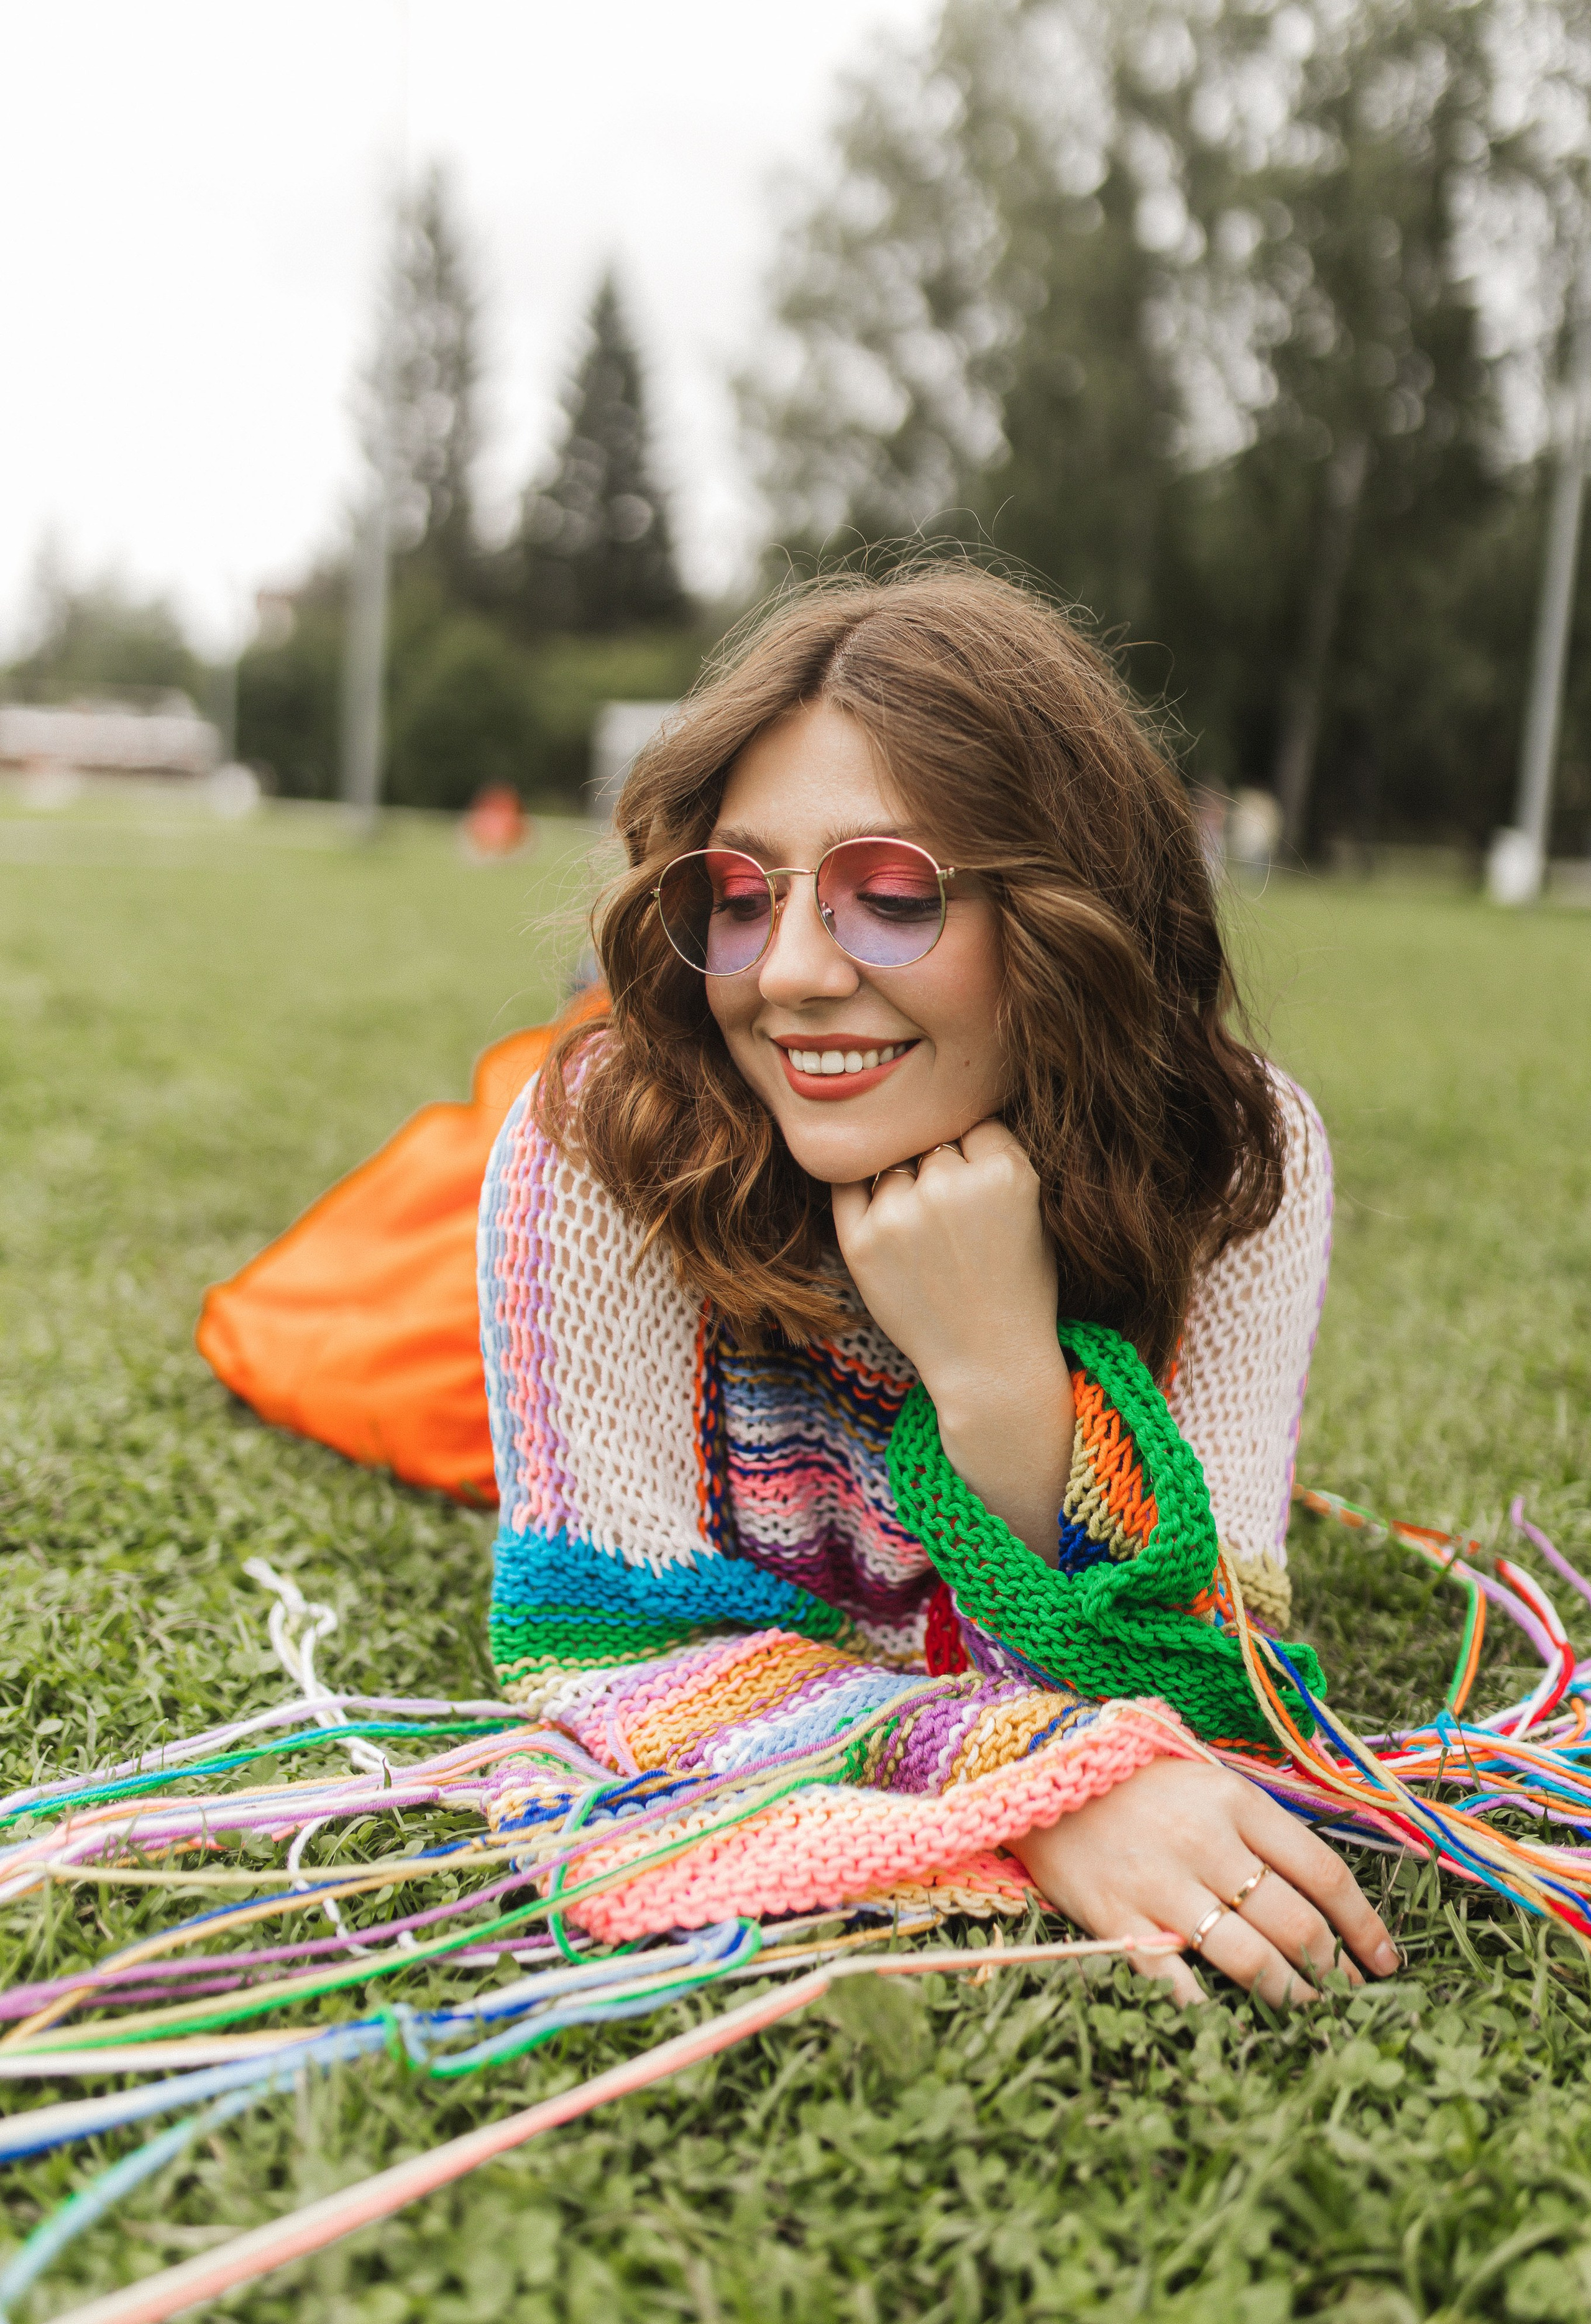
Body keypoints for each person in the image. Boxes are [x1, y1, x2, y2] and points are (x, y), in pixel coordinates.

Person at [478, 565, 1399, 2007]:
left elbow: (1222, 1680)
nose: (783, 974)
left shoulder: (1237, 1162)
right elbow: (606, 1654)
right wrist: (1042, 1783)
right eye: (735, 895)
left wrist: (996, 1380)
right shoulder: (602, 1145)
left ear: (1068, 917)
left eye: (888, 896)